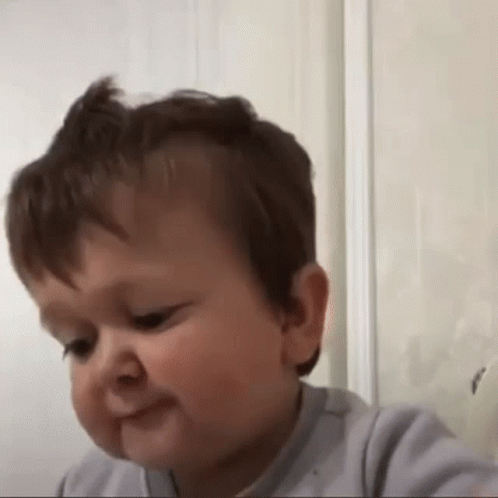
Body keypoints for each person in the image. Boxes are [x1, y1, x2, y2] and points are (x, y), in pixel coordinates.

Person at [4, 77, 498, 497]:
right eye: (80, 343)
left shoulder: (383, 461)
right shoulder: (89, 487)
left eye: (151, 316)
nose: (110, 368)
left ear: (295, 314)